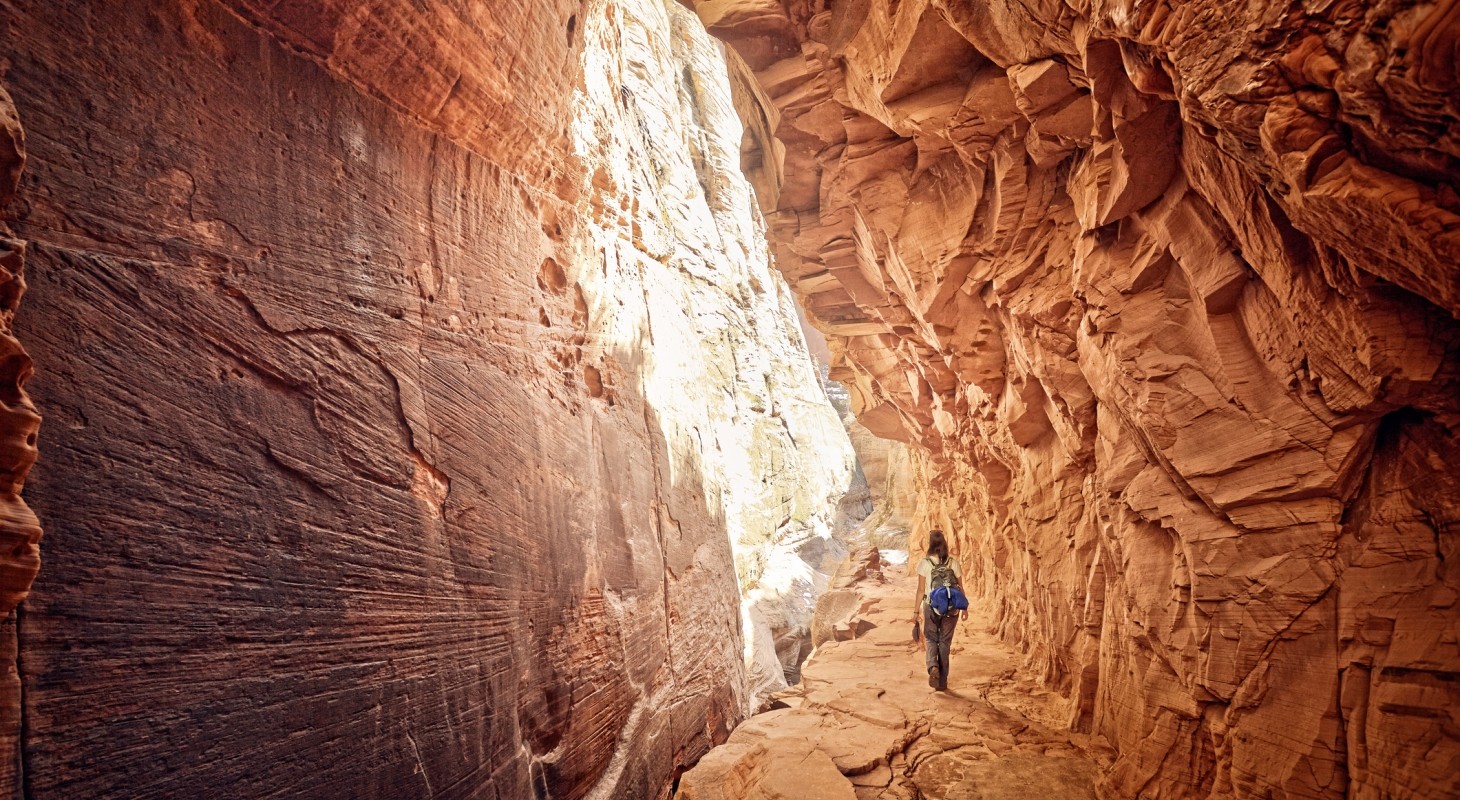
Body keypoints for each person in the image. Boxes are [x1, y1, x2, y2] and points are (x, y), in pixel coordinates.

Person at [913, 529, 966, 690]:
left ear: (930, 544)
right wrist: (964, 608)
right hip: (951, 609)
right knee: (945, 642)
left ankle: (933, 667)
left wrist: (916, 611)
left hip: (931, 606)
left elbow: (921, 589)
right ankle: (942, 681)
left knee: (930, 639)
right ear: (944, 543)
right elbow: (960, 587)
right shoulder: (953, 563)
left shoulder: (925, 563)